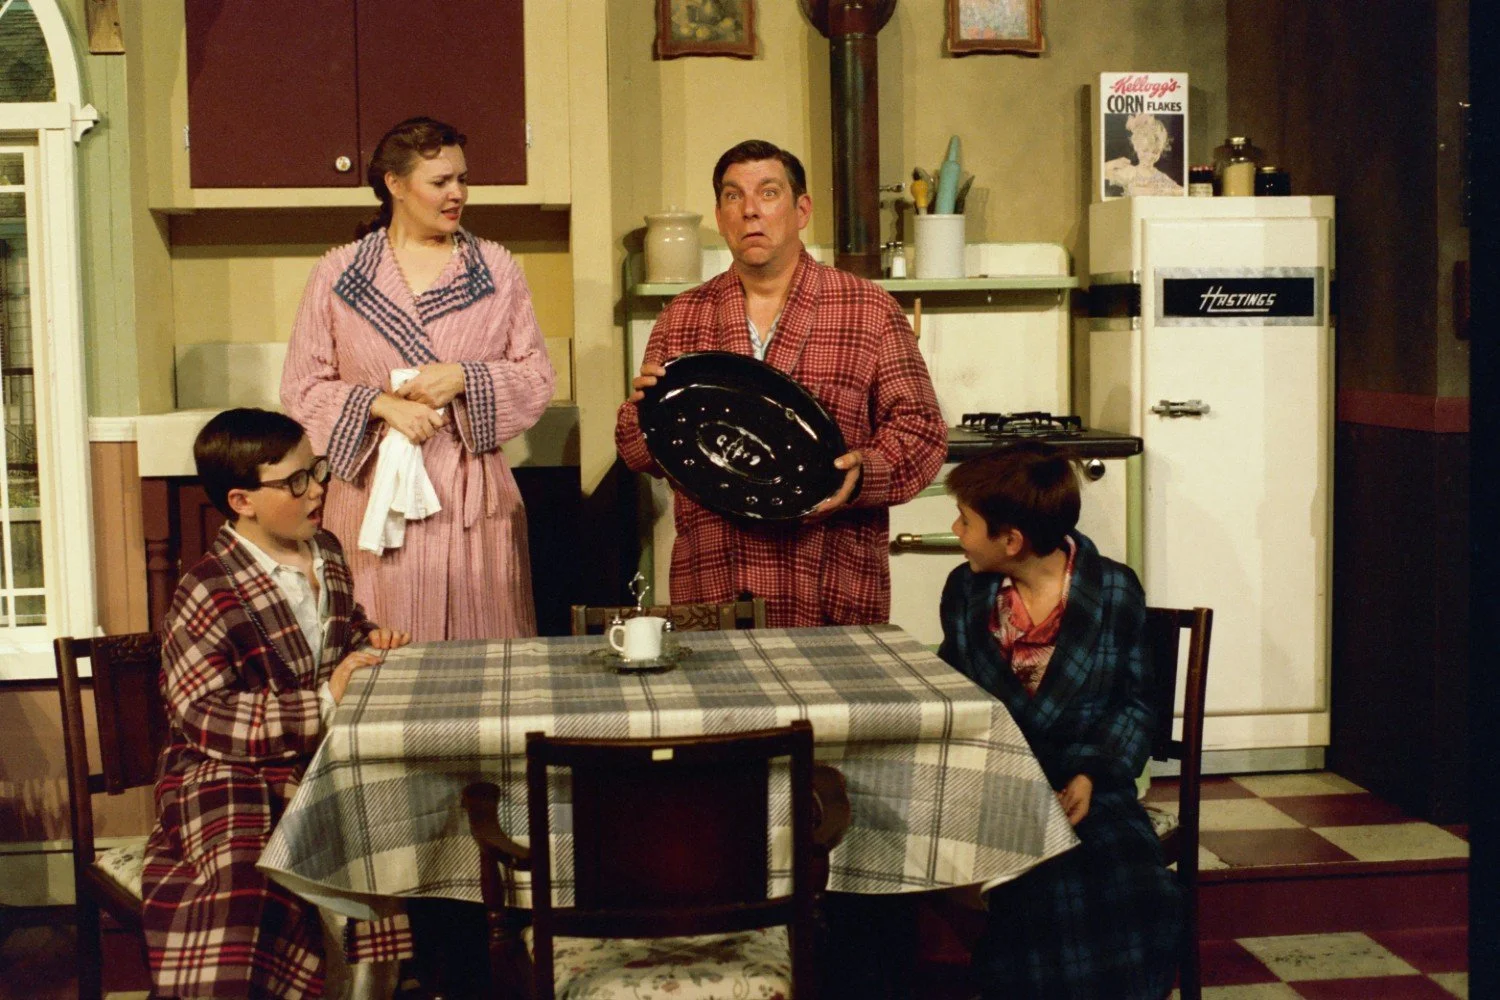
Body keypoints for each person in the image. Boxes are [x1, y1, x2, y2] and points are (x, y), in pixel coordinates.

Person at [615, 138, 946, 626]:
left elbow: (922, 431)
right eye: (733, 197)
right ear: (720, 215)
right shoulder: (682, 317)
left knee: (830, 704)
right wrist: (641, 415)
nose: (750, 211)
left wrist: (864, 474)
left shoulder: (868, 310)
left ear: (801, 209)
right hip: (713, 584)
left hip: (830, 576)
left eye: (768, 193)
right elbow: (641, 453)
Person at [140, 408, 413, 1000]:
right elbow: (200, 712)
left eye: (316, 470)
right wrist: (322, 700)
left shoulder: (328, 553)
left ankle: (369, 986)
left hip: (317, 757)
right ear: (242, 501)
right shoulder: (207, 587)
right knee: (245, 877)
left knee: (387, 825)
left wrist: (368, 640)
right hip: (225, 767)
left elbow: (337, 629)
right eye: (295, 481)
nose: (316, 488)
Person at [281, 116, 555, 642]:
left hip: (470, 492)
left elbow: (536, 377)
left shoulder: (497, 270)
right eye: (440, 182)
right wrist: (379, 406)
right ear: (395, 185)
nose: (457, 194)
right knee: (382, 640)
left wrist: (462, 378)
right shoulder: (339, 274)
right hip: (372, 494)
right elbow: (302, 386)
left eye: (462, 179)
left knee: (483, 647)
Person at [936, 442, 1182, 999]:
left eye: (965, 520)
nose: (955, 530)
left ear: (1011, 540)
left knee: (1124, 875)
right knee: (1035, 875)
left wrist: (1090, 773)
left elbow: (1136, 704)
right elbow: (952, 692)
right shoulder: (966, 591)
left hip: (1088, 780)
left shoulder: (1114, 590)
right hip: (995, 776)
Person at [1103, 113, 1184, 196]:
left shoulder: (1161, 177)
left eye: (1155, 152)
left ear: (1161, 151)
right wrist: (1114, 163)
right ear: (1136, 147)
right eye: (1145, 151)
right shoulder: (1131, 172)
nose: (1149, 156)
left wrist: (1166, 191)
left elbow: (1182, 191)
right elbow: (1100, 174)